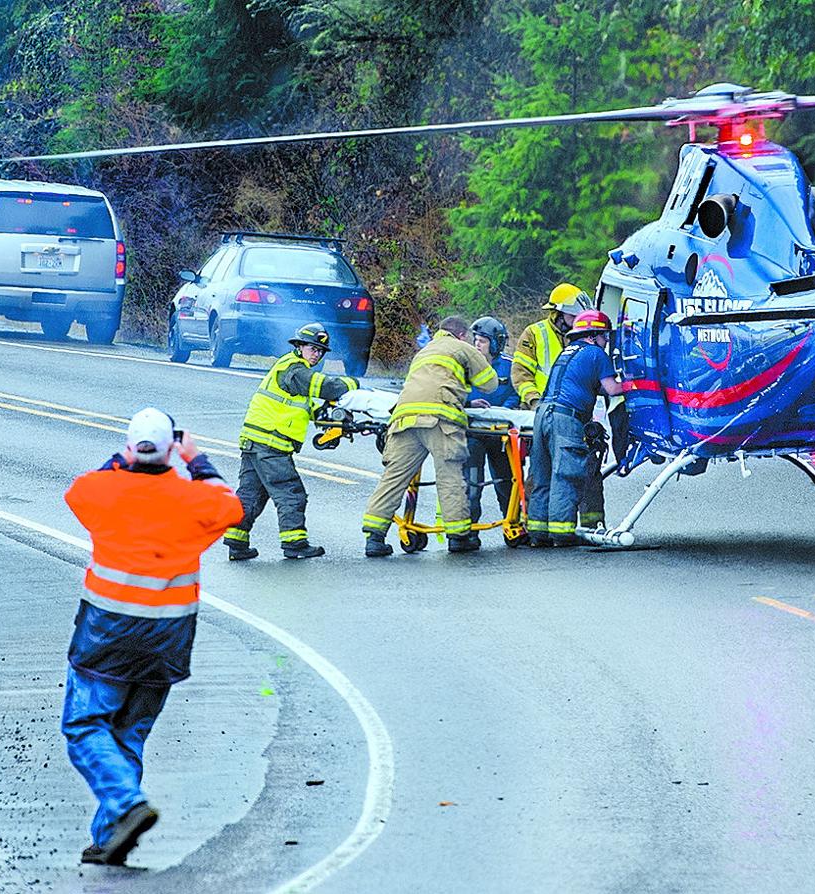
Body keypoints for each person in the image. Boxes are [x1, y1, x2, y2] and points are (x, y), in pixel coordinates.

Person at [63, 408, 243, 866]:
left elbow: (79, 488)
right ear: (171, 453)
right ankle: (109, 837)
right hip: (166, 642)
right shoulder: (194, 501)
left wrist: (123, 456)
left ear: (129, 449)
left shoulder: (103, 491)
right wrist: (197, 459)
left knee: (85, 726)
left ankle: (126, 806)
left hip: (106, 637)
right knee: (130, 734)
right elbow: (231, 504)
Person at [362, 315, 497, 556]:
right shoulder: (462, 347)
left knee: (394, 477)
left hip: (405, 417)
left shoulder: (424, 352)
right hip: (440, 419)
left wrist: (464, 397)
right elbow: (490, 383)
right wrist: (482, 360)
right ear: (463, 335)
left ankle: (374, 537)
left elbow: (429, 384)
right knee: (450, 476)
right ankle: (458, 537)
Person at [223, 322, 359, 560]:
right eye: (312, 348)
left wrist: (335, 423)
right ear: (299, 346)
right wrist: (351, 384)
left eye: (319, 351)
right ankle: (295, 544)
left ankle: (236, 541)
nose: (316, 354)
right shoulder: (294, 368)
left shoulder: (293, 370)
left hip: (255, 440)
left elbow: (305, 407)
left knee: (251, 494)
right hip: (271, 443)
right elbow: (322, 386)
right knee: (291, 493)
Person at [527, 310, 623, 547]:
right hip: (566, 418)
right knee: (566, 475)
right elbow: (612, 389)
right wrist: (638, 383)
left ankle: (538, 533)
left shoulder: (567, 353)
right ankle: (562, 533)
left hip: (542, 414)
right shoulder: (596, 354)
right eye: (604, 336)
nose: (606, 341)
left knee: (543, 474)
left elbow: (587, 385)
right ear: (593, 335)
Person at [464, 316, 519, 524]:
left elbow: (515, 393)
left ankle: (512, 522)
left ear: (495, 344)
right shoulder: (465, 365)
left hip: (501, 433)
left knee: (506, 480)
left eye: (483, 341)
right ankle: (469, 528)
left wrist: (503, 412)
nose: (477, 344)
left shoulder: (509, 366)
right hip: (473, 433)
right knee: (472, 482)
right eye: (476, 340)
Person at [510, 282, 593, 409]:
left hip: (573, 409)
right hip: (537, 408)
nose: (578, 320)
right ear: (558, 314)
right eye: (573, 316)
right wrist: (534, 401)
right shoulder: (534, 333)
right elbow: (520, 374)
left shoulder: (586, 337)